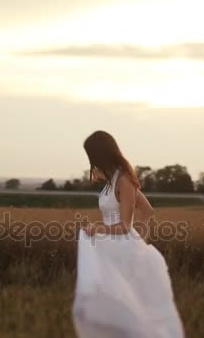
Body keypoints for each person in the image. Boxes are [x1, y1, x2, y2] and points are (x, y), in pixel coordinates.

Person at [72, 130, 184, 338]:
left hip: (121, 247)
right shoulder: (113, 180)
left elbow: (124, 225)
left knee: (127, 308)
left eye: (91, 155)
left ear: (100, 153)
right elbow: (148, 210)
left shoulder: (124, 181)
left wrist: (139, 242)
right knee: (113, 305)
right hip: (109, 245)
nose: (90, 160)